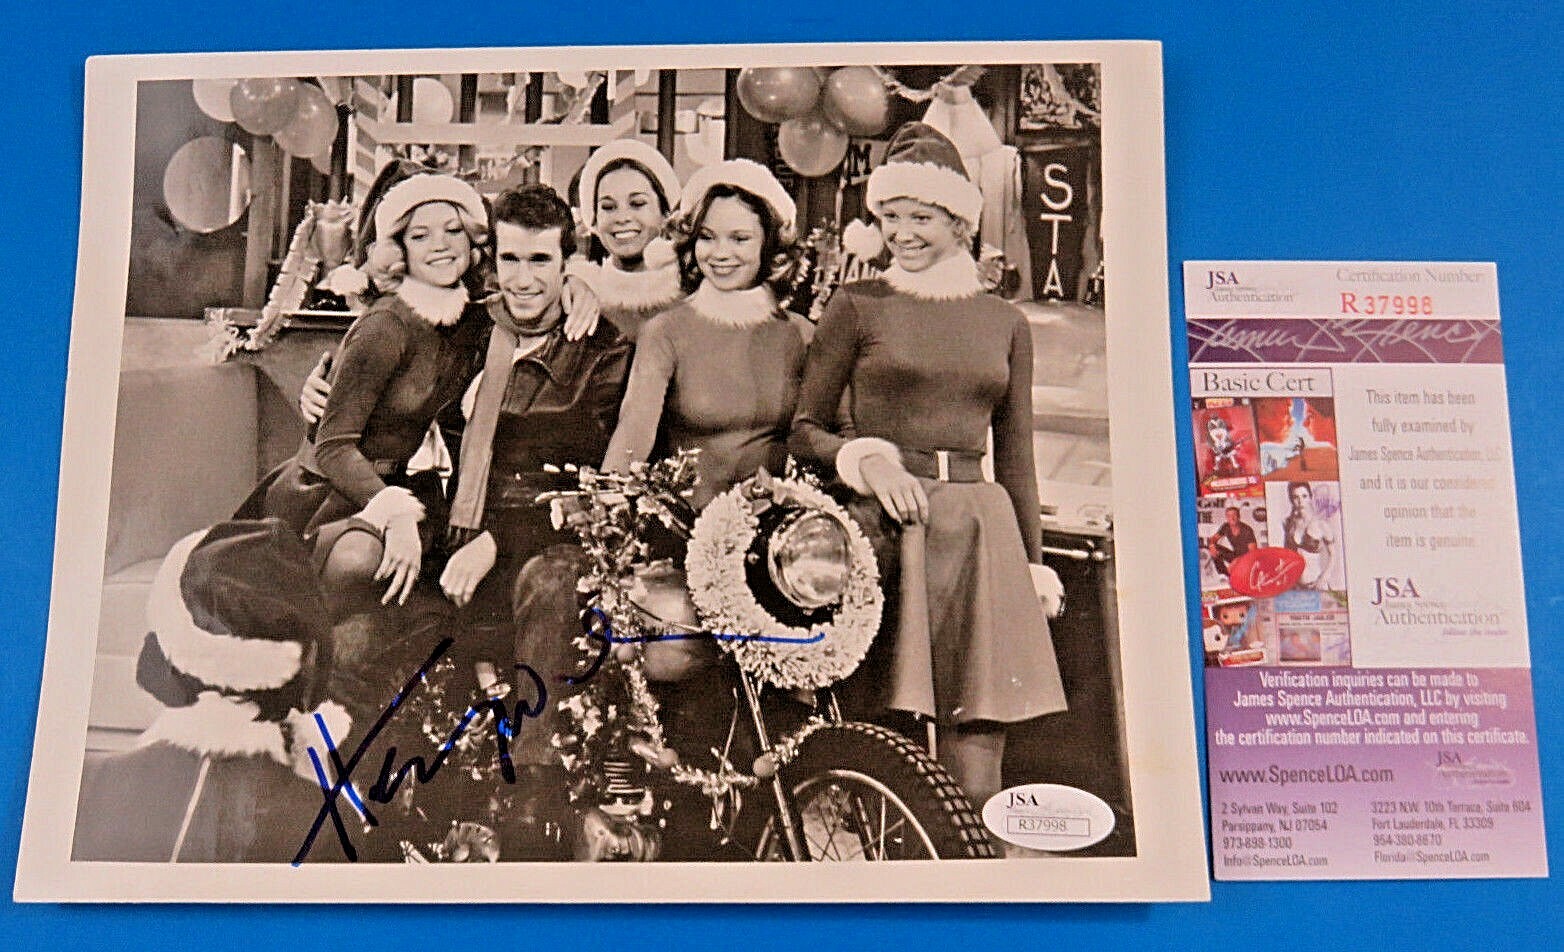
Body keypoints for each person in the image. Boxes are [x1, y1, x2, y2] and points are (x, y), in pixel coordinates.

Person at [788, 123, 1067, 810]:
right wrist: (868, 462)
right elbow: (805, 430)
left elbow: (1017, 457)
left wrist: (1033, 565)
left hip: (980, 528)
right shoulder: (858, 305)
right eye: (890, 217)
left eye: (921, 218)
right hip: (887, 526)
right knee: (887, 734)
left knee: (980, 744)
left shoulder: (1004, 321)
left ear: (959, 221)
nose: (901, 234)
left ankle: (975, 860)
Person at [249, 170, 493, 615]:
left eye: (453, 230)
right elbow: (333, 447)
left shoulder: (468, 321)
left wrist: (577, 287)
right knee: (362, 561)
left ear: (473, 242)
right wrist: (395, 514)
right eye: (420, 236)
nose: (440, 245)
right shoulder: (386, 325)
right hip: (327, 496)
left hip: (399, 486)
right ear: (398, 251)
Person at [601, 158, 810, 509]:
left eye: (739, 239)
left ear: (769, 244)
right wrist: (607, 504)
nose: (720, 254)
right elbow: (633, 436)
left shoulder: (802, 334)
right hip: (687, 528)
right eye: (707, 238)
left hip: (781, 528)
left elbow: (826, 439)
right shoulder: (665, 330)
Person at [566, 139, 686, 341]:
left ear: (666, 213)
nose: (622, 218)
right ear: (594, 219)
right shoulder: (580, 294)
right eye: (608, 207)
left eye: (637, 203)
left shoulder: (694, 294)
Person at [1282, 481, 1338, 590]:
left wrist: (1323, 578)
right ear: (1291, 500)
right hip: (1295, 587)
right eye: (1296, 497)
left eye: (1304, 496)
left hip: (1317, 585)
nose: (1300, 501)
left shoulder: (1321, 524)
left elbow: (1333, 555)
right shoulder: (1289, 524)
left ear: (1310, 497)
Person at [1207, 505, 1258, 576]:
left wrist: (1237, 561)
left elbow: (1253, 553)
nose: (1232, 518)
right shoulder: (1226, 526)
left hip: (1246, 559)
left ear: (1239, 517)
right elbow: (1214, 538)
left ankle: (1233, 574)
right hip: (1235, 555)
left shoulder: (1247, 530)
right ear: (1227, 518)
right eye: (1229, 516)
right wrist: (1211, 545)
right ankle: (1223, 574)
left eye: (1234, 515)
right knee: (1214, 548)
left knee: (1239, 565)